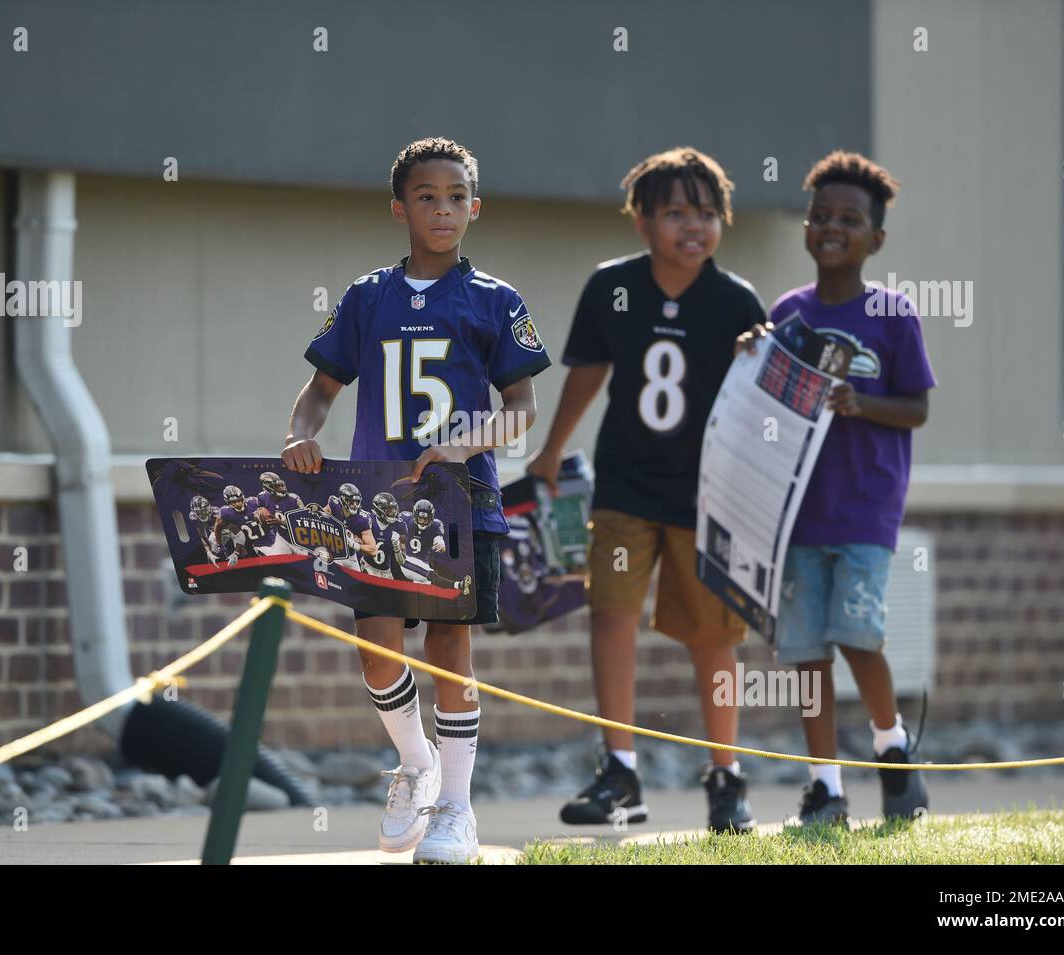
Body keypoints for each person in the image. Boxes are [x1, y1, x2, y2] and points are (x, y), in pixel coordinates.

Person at [282, 137, 551, 862]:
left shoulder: (496, 300)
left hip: (460, 499)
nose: (443, 209)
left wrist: (468, 440)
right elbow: (320, 391)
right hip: (376, 504)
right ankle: (416, 763)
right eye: (427, 196)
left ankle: (456, 810)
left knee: (449, 646)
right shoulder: (368, 296)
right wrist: (298, 436)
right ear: (399, 206)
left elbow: (522, 405)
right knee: (376, 652)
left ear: (476, 206)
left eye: (457, 196)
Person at [528, 147, 765, 833]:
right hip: (625, 485)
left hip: (707, 494)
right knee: (612, 614)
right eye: (674, 212)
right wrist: (549, 451)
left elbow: (761, 402)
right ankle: (621, 770)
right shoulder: (612, 288)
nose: (693, 226)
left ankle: (727, 775)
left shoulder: (737, 300)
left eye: (706, 212)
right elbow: (588, 371)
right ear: (641, 220)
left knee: (713, 636)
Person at [738, 150, 936, 825]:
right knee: (803, 651)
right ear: (806, 228)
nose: (832, 226)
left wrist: (859, 402)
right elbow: (764, 402)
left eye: (849, 218)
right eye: (821, 215)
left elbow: (917, 408)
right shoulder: (787, 314)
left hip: (864, 511)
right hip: (796, 514)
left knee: (857, 635)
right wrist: (750, 355)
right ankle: (825, 786)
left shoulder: (893, 313)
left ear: (875, 238)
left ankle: (892, 746)